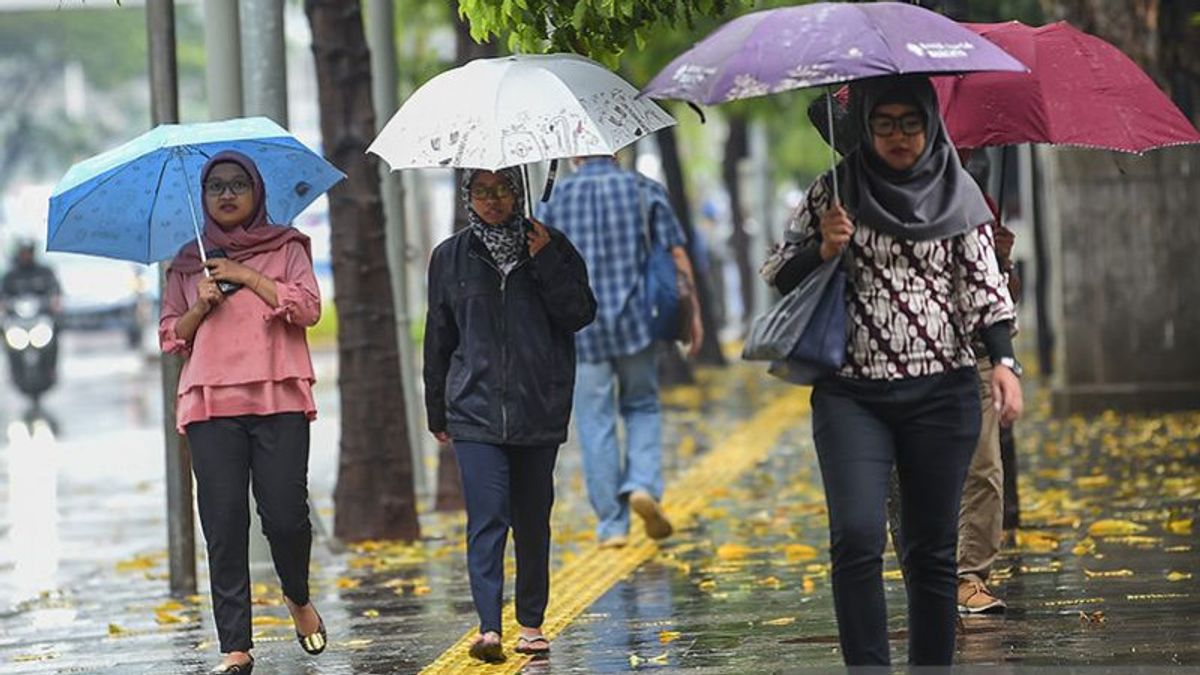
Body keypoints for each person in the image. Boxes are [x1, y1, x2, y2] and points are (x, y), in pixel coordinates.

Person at [760, 75, 1023, 666]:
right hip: (851, 394)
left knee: (930, 551)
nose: (899, 136)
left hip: (942, 391)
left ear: (929, 124)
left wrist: (1004, 362)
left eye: (910, 123)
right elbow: (778, 273)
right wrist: (822, 248)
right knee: (855, 537)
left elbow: (985, 289)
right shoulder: (833, 190)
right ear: (866, 126)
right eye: (885, 123)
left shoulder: (959, 193)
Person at [159, 151, 325, 674]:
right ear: (204, 199)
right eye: (216, 187)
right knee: (224, 525)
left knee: (285, 518)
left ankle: (296, 596)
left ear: (256, 191)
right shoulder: (188, 260)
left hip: (279, 399)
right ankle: (235, 645)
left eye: (237, 185)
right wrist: (201, 303)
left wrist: (245, 275)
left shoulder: (288, 247)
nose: (226, 195)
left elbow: (309, 309)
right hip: (211, 404)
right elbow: (170, 336)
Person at [424, 167, 596, 663]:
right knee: (487, 516)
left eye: (503, 190)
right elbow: (439, 337)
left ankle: (532, 623)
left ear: (518, 192)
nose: (493, 201)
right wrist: (437, 408)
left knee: (532, 518)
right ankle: (487, 628)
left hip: (537, 404)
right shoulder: (450, 256)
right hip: (473, 408)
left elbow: (579, 314)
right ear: (468, 197)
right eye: (482, 192)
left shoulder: (552, 246)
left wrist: (545, 262)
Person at [538, 155, 703, 548]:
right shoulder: (645, 190)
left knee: (595, 422)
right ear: (615, 147)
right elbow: (676, 255)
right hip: (639, 324)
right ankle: (643, 483)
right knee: (642, 405)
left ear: (576, 154)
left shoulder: (552, 201)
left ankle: (612, 525)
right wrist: (692, 314)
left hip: (582, 329)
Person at [2, 239, 62, 309]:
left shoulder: (45, 272)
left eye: (28, 252)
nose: (26, 255)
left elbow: (55, 288)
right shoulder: (11, 275)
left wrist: (54, 299)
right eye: (23, 252)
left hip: (42, 311)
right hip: (16, 312)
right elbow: (4, 293)